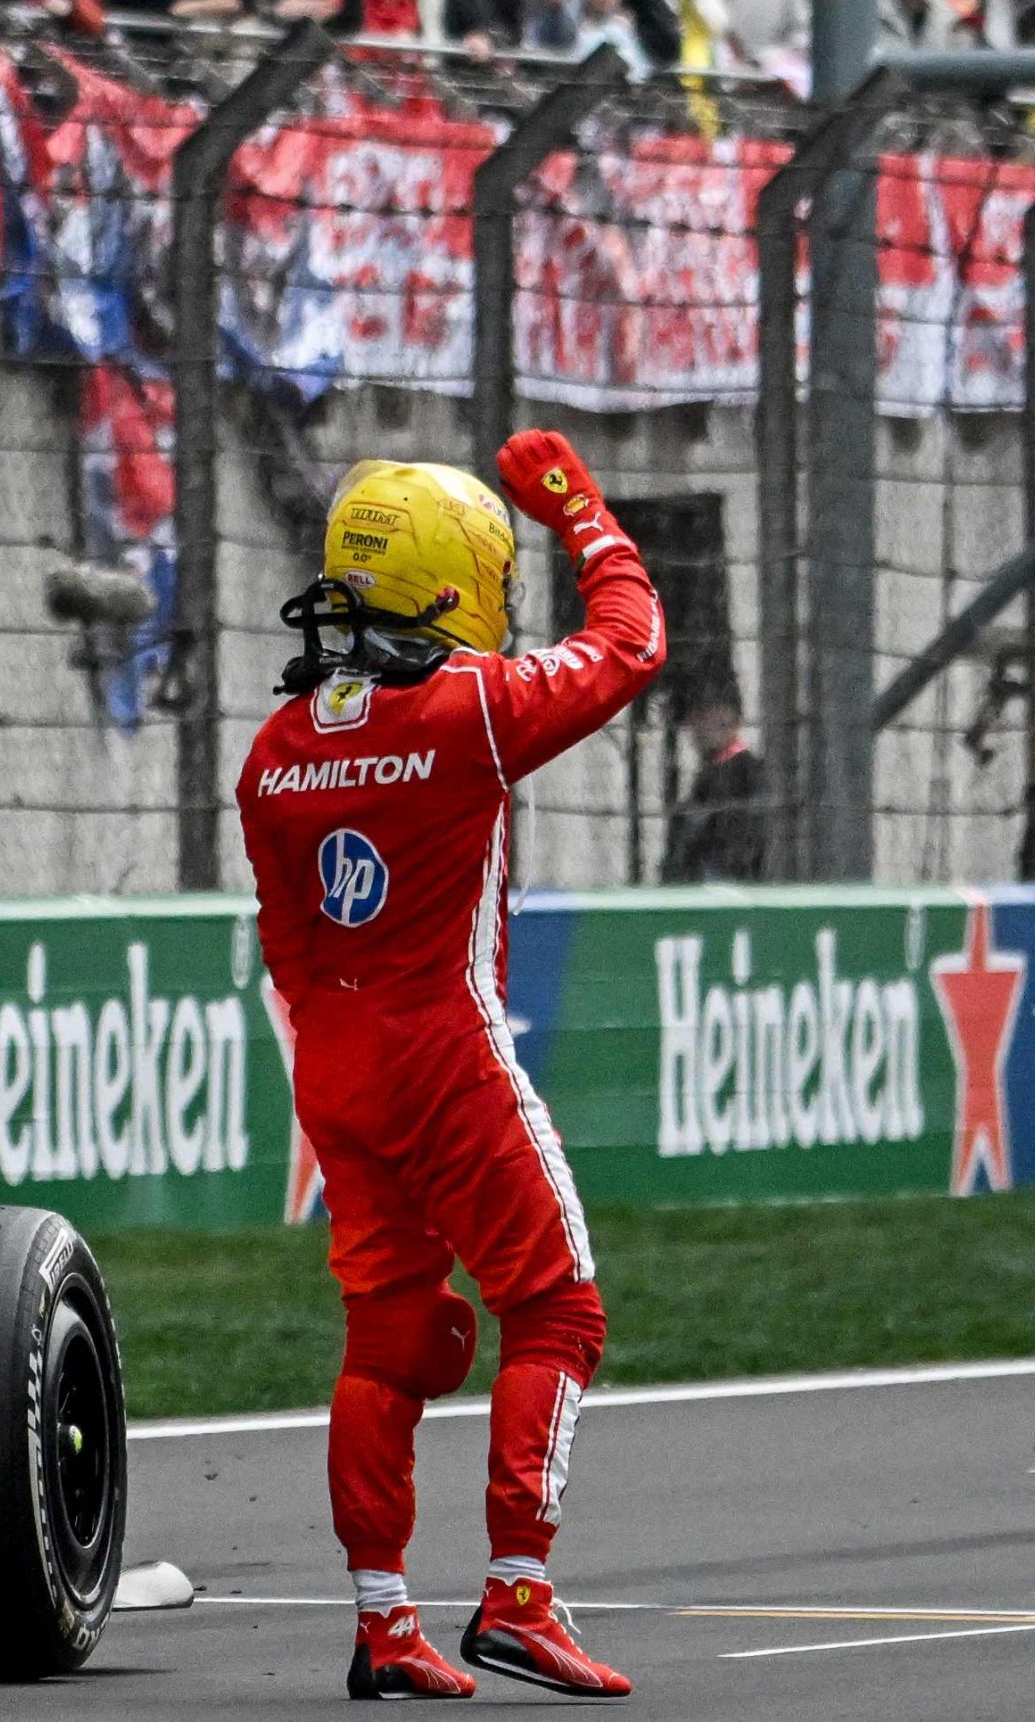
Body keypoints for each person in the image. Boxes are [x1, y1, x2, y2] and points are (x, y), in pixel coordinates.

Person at [235, 431, 662, 1701]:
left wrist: (345, 1043)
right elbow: (630, 644)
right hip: (444, 1045)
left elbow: (286, 942)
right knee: (558, 1311)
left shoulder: (273, 752)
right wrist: (580, 506)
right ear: (448, 584)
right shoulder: (468, 712)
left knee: (391, 1339)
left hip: (338, 1062)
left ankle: (381, 1622)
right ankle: (519, 1596)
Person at [660, 688, 769, 886]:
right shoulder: (711, 770)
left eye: (704, 718)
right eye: (696, 719)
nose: (697, 728)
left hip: (726, 871)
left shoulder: (744, 770)